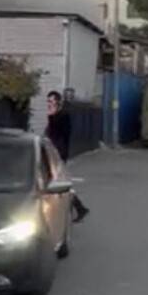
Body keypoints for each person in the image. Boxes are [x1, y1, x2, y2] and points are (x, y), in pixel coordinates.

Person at [45, 91, 90, 223]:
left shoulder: (63, 116)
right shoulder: (55, 115)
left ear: (58, 103)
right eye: (48, 101)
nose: (49, 104)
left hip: (59, 155)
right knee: (57, 183)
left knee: (59, 183)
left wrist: (52, 117)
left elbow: (59, 136)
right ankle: (78, 208)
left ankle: (78, 208)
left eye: (52, 102)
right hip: (53, 154)